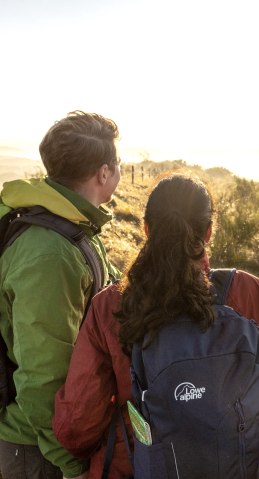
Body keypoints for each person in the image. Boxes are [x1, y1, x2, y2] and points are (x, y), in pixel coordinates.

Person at [53, 174, 259, 479]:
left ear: (146, 229)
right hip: (229, 467)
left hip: (133, 467)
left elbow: (77, 427)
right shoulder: (244, 291)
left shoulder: (111, 305)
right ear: (209, 232)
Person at [0, 111, 121, 479]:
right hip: (36, 450)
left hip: (49, 439)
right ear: (103, 173)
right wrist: (72, 466)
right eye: (118, 163)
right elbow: (42, 379)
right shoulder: (50, 254)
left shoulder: (71, 225)